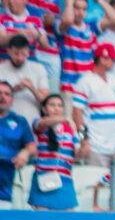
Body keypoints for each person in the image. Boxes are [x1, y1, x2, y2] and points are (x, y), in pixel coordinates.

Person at [70, 42, 115, 167]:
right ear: (103, 59)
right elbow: (76, 113)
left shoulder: (114, 80)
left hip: (114, 144)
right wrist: (84, 141)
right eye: (112, 59)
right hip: (95, 145)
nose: (114, 62)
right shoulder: (85, 81)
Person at [28, 93, 78, 210]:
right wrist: (65, 119)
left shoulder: (70, 128)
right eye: (52, 105)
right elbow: (43, 123)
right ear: (44, 109)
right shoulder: (39, 122)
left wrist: (84, 146)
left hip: (65, 181)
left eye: (60, 106)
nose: (56, 108)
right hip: (43, 180)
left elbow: (78, 153)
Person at [0, 79, 33, 207]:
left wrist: (25, 152)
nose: (2, 97)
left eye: (7, 94)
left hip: (7, 183)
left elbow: (32, 146)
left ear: (12, 100)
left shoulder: (19, 121)